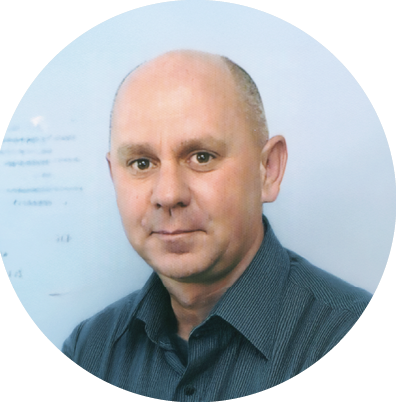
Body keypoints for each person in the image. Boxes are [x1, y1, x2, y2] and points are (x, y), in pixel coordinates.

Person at [62, 50, 372, 401]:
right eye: (141, 163)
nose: (168, 194)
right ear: (114, 176)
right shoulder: (89, 352)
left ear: (268, 170)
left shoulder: (356, 341)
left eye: (201, 157)